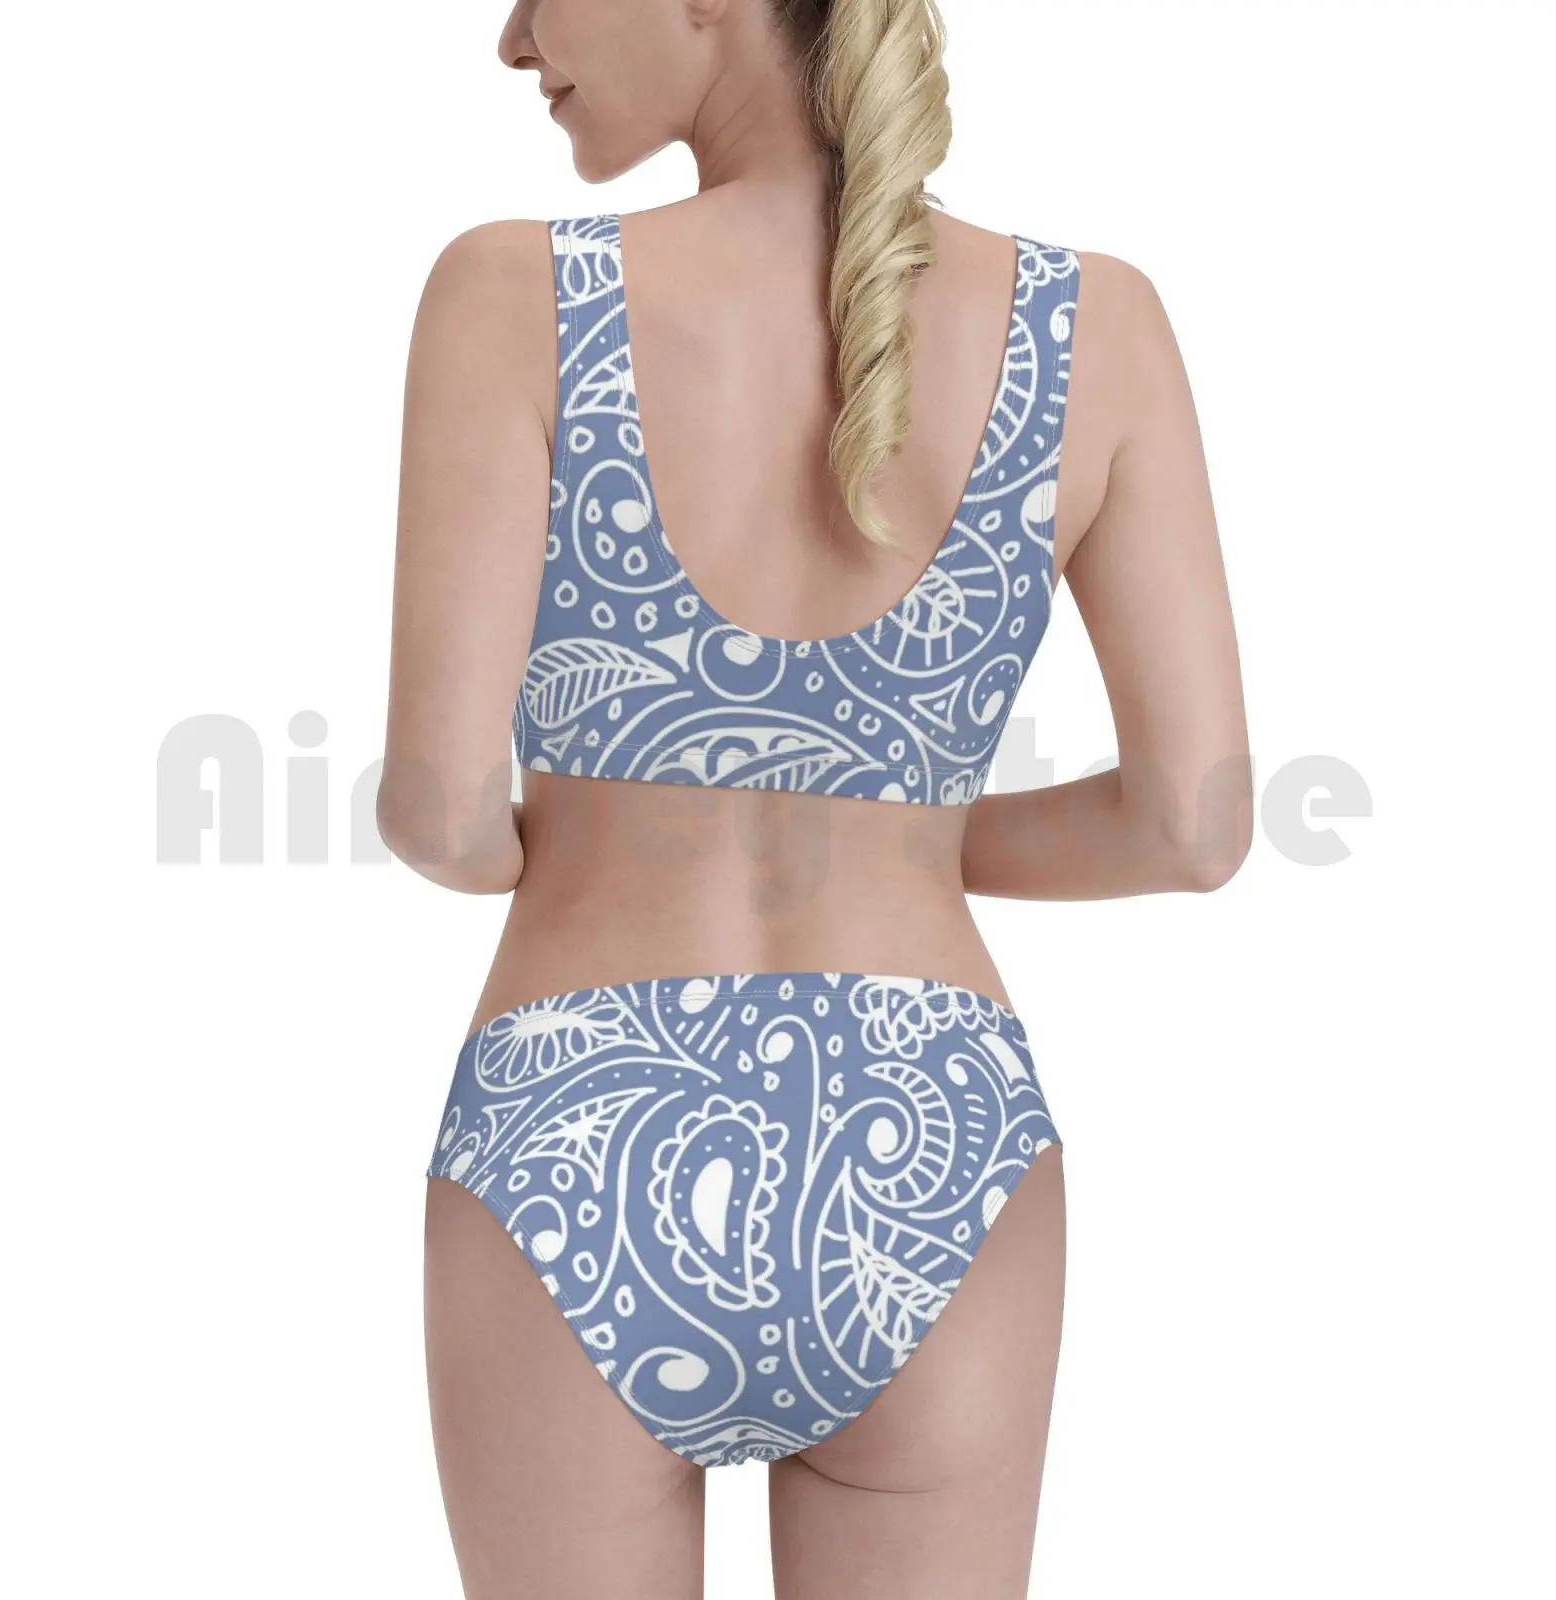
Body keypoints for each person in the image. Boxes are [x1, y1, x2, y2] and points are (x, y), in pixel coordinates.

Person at [378, 1, 1251, 1594]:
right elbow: (1194, 827)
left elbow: (437, 809)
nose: (512, 36)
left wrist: (564, 842)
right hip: (938, 1153)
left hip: (577, 1134)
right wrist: (906, 838)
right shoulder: (1098, 325)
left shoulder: (514, 295)